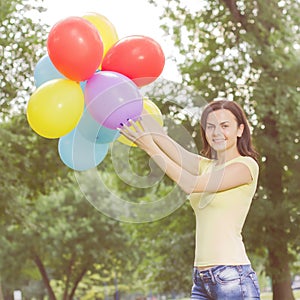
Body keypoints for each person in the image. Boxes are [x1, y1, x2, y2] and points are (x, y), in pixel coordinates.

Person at [119, 99, 261, 299]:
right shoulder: (206, 166)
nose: (216, 132)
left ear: (240, 130)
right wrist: (135, 109)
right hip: (201, 278)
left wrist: (150, 148)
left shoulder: (246, 166)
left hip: (232, 276)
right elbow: (165, 141)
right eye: (210, 127)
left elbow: (191, 184)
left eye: (224, 126)